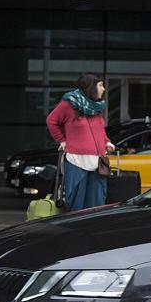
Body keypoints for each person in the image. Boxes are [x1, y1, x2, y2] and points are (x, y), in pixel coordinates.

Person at [46, 72, 115, 211]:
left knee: (97, 203)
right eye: (101, 85)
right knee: (76, 204)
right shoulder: (69, 104)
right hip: (77, 161)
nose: (104, 89)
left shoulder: (97, 107)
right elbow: (51, 121)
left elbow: (100, 130)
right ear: (91, 87)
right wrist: (62, 140)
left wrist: (107, 142)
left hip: (98, 162)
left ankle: (94, 231)